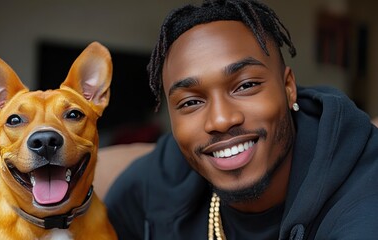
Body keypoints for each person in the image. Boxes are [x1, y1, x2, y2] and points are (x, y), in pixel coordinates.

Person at [104, 0, 378, 239]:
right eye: (190, 102)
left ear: (288, 87)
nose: (221, 120)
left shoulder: (363, 200)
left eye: (245, 86)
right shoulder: (160, 181)